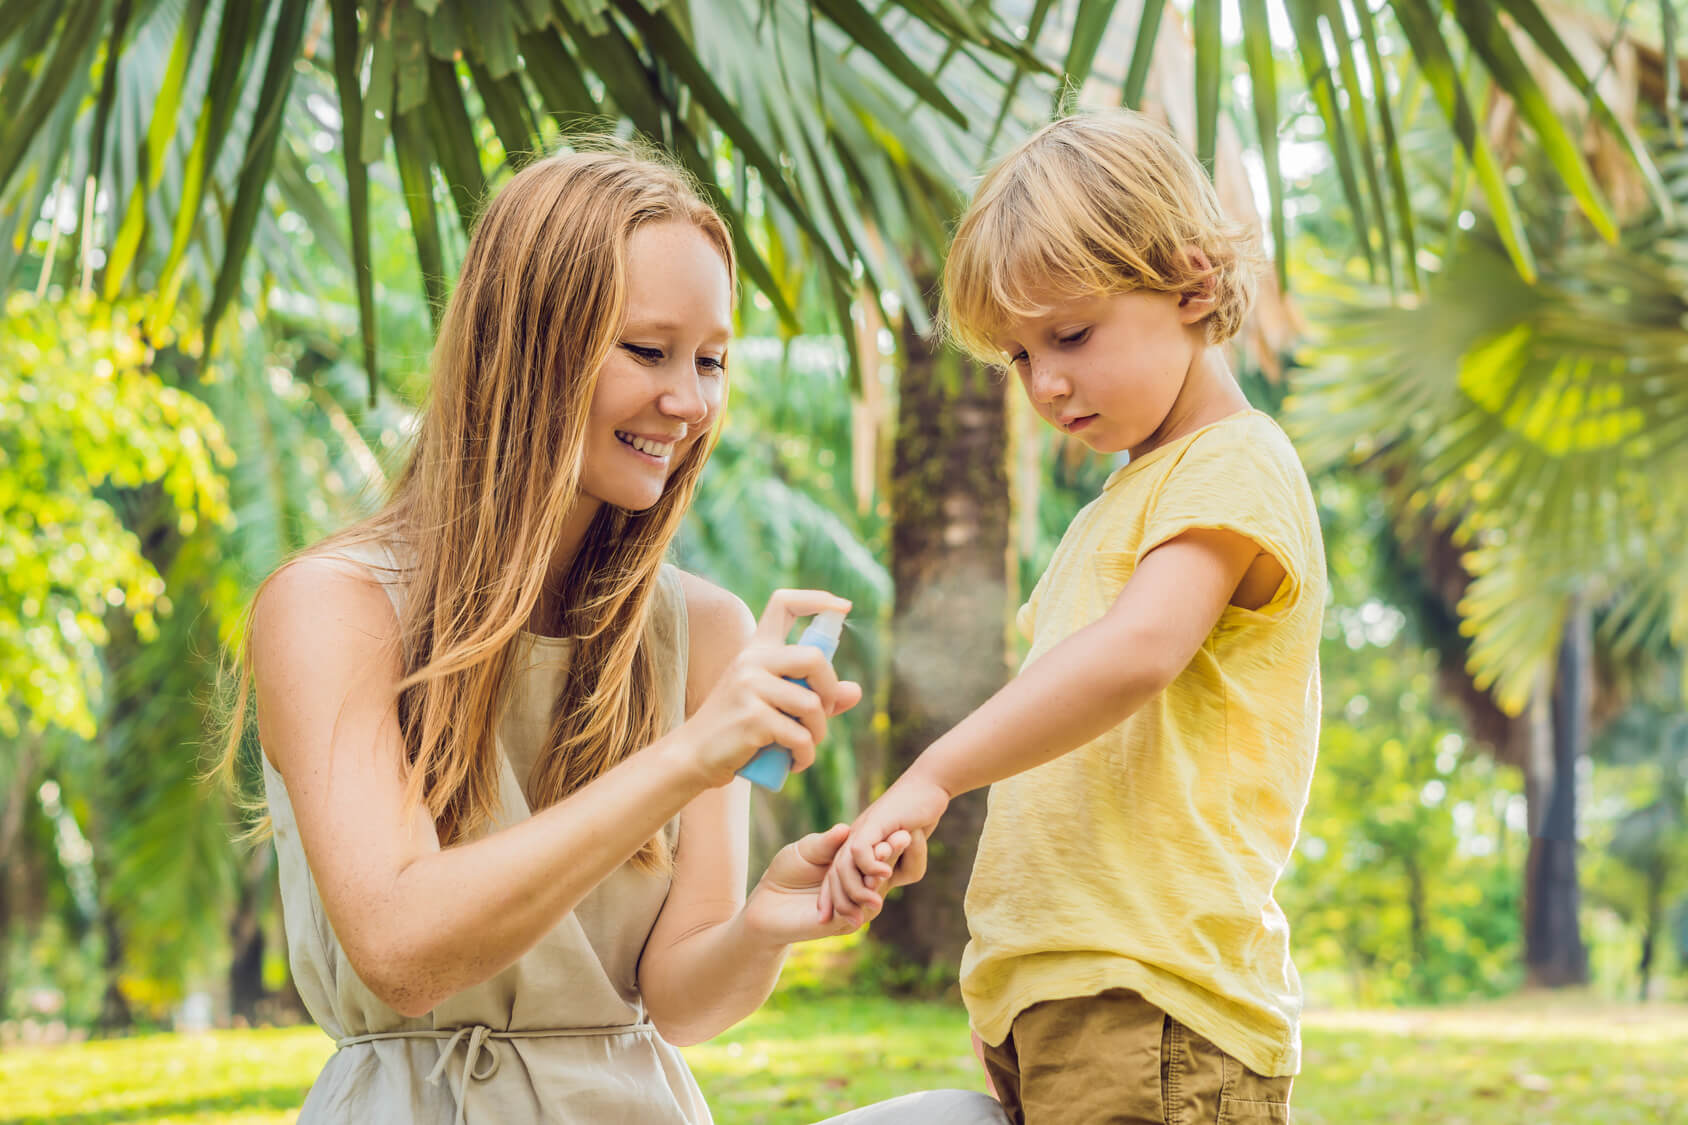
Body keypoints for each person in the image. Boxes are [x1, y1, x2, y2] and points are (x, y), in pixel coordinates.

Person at [219, 141, 1005, 1125]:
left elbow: (677, 999)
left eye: (711, 360)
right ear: (522, 346)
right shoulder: (333, 608)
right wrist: (686, 760)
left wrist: (764, 921)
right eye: (647, 351)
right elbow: (402, 952)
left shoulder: (701, 629)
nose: (688, 402)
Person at [818, 109, 1325, 1125]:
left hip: (1155, 998)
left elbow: (1135, 655)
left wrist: (932, 773)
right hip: (1066, 998)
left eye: (1070, 336)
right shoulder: (1113, 511)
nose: (1044, 383)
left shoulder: (1232, 464)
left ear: (1189, 282)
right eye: (1016, 357)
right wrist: (1011, 976)